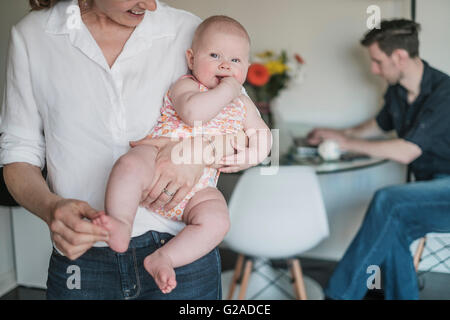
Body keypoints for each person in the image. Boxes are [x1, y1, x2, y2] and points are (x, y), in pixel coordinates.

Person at [0, 0, 256, 300]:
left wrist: (200, 152)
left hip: (181, 256)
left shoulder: (190, 30)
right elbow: (18, 153)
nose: (149, 4)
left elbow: (251, 134)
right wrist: (49, 208)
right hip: (84, 258)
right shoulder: (33, 37)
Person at [94, 15, 271, 294]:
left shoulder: (244, 104)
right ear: (191, 59)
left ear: (247, 68)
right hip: (156, 160)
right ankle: (120, 223)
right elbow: (194, 113)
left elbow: (263, 134)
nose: (225, 65)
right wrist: (228, 88)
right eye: (215, 55)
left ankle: (165, 257)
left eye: (236, 61)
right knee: (128, 166)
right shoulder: (186, 85)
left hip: (200, 187)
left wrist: (253, 154)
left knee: (218, 220)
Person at [307, 19, 450, 300]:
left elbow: (408, 150)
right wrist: (339, 133)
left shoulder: (444, 94)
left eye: (377, 61)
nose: (373, 69)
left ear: (399, 57)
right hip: (428, 193)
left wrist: (347, 144)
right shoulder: (397, 91)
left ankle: (338, 296)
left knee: (388, 200)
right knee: (391, 229)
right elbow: (379, 124)